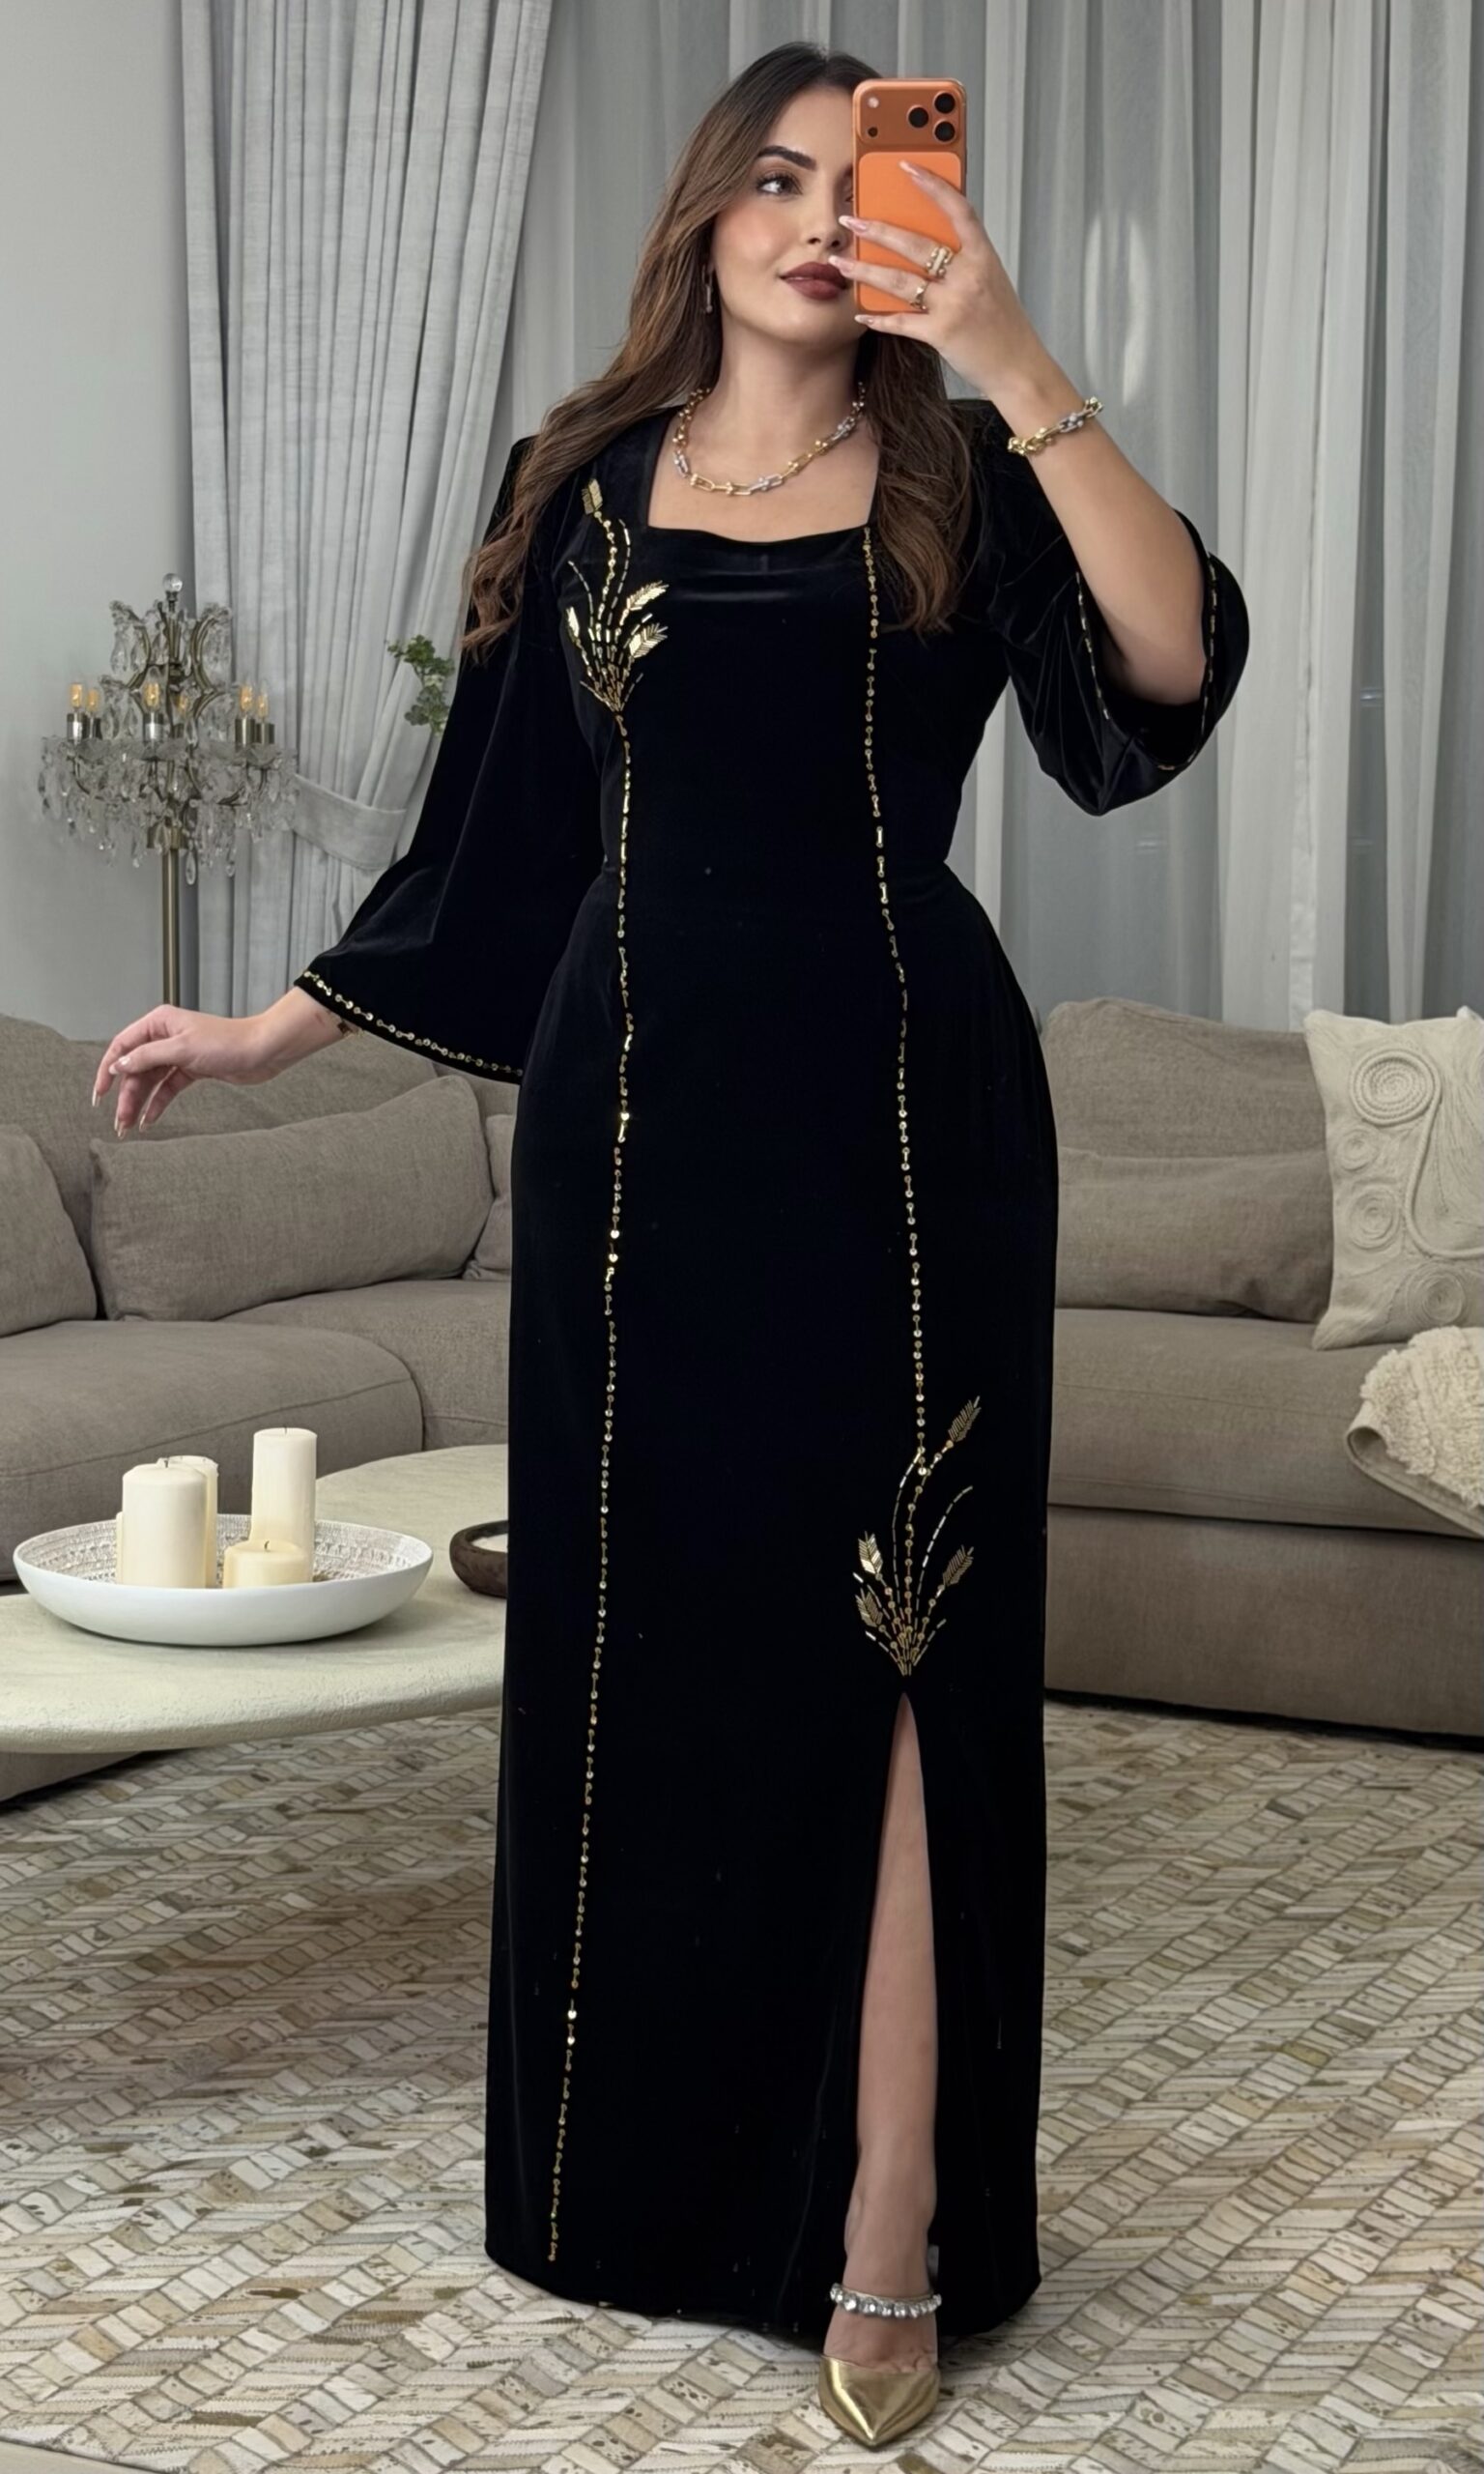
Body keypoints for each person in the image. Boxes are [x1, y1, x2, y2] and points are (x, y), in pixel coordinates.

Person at [93, 41, 1248, 2452]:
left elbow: (1162, 669)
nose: (821, 222)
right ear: (709, 210)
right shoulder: (581, 479)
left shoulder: (964, 469)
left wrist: (1013, 351)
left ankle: (892, 2209)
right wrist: (262, 1029)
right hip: (636, 1150)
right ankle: (643, 2180)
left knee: (901, 1649)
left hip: (908, 1128)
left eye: (865, 189)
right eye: (780, 179)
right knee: (661, 1658)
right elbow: (492, 842)